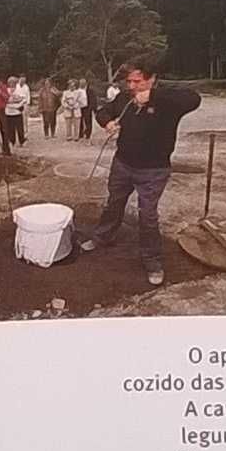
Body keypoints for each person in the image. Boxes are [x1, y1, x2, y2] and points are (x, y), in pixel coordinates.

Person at [84, 57, 204, 287]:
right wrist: (107, 123)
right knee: (114, 203)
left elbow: (194, 98)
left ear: (152, 79)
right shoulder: (124, 98)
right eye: (129, 81)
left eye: (137, 82)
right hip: (123, 164)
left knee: (147, 216)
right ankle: (102, 237)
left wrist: (153, 96)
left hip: (153, 169)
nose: (132, 87)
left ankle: (153, 261)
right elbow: (102, 111)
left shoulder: (168, 101)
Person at [4, 74, 31, 150]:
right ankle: (12, 141)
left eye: (14, 83)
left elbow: (24, 99)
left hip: (18, 112)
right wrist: (13, 104)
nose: (12, 84)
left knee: (20, 128)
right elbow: (5, 101)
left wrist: (18, 104)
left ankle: (22, 140)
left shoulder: (19, 89)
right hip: (9, 112)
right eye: (11, 82)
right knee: (10, 128)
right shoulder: (6, 91)